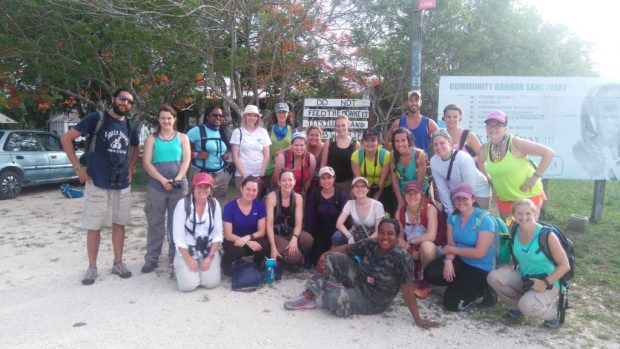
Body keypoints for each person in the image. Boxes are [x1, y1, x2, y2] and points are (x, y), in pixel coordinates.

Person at [283, 219, 440, 330]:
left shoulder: (402, 258)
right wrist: (325, 254)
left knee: (334, 299)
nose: (385, 237)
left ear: (398, 236)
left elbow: (407, 290)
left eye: (390, 234)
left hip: (373, 300)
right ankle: (308, 297)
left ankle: (329, 290)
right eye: (382, 233)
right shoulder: (372, 243)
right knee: (335, 258)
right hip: (360, 280)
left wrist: (417, 319)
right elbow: (346, 248)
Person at [60, 87, 139, 286]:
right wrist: (78, 167)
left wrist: (131, 166)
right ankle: (92, 267)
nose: (126, 104)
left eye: (130, 102)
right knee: (93, 225)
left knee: (119, 224)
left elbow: (136, 147)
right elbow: (66, 138)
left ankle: (118, 263)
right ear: (114, 99)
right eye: (123, 99)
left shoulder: (130, 125)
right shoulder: (96, 119)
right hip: (97, 182)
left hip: (121, 184)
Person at [487, 199, 570, 329]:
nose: (523, 217)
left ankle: (554, 313)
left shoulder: (547, 235)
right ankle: (519, 306)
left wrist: (545, 283)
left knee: (528, 306)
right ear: (513, 215)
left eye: (528, 213)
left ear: (535, 214)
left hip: (550, 282)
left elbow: (565, 265)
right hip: (526, 278)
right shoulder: (515, 230)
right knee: (494, 277)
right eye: (519, 213)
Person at [423, 183, 497, 311]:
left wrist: (452, 251)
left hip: (479, 266)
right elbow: (451, 243)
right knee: (430, 273)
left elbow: (479, 253)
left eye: (465, 198)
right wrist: (448, 261)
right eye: (457, 198)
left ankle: (482, 290)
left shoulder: (485, 220)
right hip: (461, 260)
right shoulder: (453, 217)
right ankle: (460, 284)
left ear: (473, 199)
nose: (460, 201)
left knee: (451, 305)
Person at [141, 104, 191, 273]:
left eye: (169, 118)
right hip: (157, 187)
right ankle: (152, 258)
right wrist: (163, 180)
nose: (166, 121)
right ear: (158, 119)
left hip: (178, 187)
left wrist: (176, 179)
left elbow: (186, 161)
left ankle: (174, 255)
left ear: (174, 119)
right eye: (163, 118)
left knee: (176, 223)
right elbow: (146, 163)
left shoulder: (183, 138)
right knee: (155, 223)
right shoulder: (151, 139)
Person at [479, 110, 555, 220]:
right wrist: (488, 178)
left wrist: (534, 177)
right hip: (505, 198)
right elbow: (481, 161)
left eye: (498, 125)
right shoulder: (486, 148)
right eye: (490, 125)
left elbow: (549, 153)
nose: (493, 129)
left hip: (528, 196)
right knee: (510, 232)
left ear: (505, 128)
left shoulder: (516, 143)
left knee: (526, 231)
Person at [171, 173, 222, 291]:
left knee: (212, 283)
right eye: (200, 186)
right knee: (188, 287)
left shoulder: (214, 204)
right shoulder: (183, 204)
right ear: (193, 187)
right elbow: (178, 237)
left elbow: (218, 234)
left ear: (211, 188)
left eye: (206, 187)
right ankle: (180, 266)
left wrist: (210, 257)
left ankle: (198, 271)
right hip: (188, 249)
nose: (203, 190)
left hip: (207, 249)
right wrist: (188, 258)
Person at [429, 129, 491, 215]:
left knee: (475, 221)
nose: (439, 147)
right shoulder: (434, 161)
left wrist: (462, 210)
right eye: (435, 144)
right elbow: (442, 188)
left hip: (478, 192)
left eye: (442, 143)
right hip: (457, 192)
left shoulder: (463, 158)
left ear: (450, 142)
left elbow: (469, 187)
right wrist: (450, 212)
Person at [396, 182, 441, 299]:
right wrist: (409, 249)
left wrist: (412, 243)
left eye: (415, 193)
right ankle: (411, 274)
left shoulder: (430, 209)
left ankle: (425, 281)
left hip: (432, 249)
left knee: (426, 246)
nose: (412, 197)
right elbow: (399, 238)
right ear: (404, 196)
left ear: (421, 194)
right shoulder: (400, 212)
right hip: (411, 248)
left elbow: (431, 236)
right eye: (408, 194)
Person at [265, 169, 314, 267]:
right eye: (284, 180)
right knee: (296, 257)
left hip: (289, 232)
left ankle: (286, 251)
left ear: (294, 181)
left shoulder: (298, 198)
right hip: (275, 234)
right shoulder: (272, 197)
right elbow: (269, 224)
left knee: (308, 239)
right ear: (279, 182)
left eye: (290, 180)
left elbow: (298, 223)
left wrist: (294, 239)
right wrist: (273, 247)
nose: (287, 183)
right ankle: (275, 252)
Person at [221, 176, 270, 275]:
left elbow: (261, 231)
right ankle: (225, 262)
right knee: (236, 251)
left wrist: (248, 238)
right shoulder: (230, 207)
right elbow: (228, 235)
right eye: (248, 189)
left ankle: (256, 264)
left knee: (264, 245)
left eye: (254, 190)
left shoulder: (259, 206)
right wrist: (247, 242)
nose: (251, 193)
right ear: (241, 189)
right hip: (234, 240)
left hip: (251, 237)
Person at [186, 105, 232, 204]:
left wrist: (224, 155)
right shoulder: (198, 130)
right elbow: (180, 148)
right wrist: (196, 155)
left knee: (217, 205)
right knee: (198, 204)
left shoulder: (221, 131)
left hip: (221, 175)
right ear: (207, 117)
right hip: (202, 173)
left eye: (220, 115)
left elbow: (222, 149)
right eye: (215, 115)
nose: (218, 118)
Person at [305, 166, 348, 265]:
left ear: (334, 178)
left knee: (334, 260)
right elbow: (310, 216)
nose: (326, 181)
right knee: (318, 260)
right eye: (323, 178)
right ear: (319, 180)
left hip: (336, 233)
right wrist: (310, 236)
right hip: (320, 232)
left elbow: (345, 218)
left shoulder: (341, 194)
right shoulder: (315, 194)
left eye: (329, 178)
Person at [351, 127, 396, 216]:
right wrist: (364, 198)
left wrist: (374, 199)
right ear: (362, 142)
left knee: (382, 211)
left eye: (373, 140)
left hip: (383, 188)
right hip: (364, 187)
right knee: (354, 197)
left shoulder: (385, 155)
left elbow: (382, 181)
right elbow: (359, 180)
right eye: (366, 140)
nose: (370, 143)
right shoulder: (356, 156)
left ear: (378, 142)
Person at [332, 177, 385, 246]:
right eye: (357, 186)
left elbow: (378, 231)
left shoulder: (377, 205)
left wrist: (366, 242)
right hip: (355, 235)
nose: (360, 189)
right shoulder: (349, 203)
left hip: (371, 237)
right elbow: (339, 224)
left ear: (367, 190)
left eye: (363, 186)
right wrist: (349, 236)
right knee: (337, 236)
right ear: (353, 190)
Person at [230, 105, 271, 192]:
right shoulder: (237, 132)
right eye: (249, 115)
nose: (252, 118)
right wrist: (245, 175)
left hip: (258, 174)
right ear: (244, 116)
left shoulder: (262, 132)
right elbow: (235, 156)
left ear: (258, 118)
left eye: (255, 115)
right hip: (242, 175)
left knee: (257, 203)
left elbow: (267, 155)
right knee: (244, 202)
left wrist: (261, 175)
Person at [385, 90, 438, 156]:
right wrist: (395, 155)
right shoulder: (398, 123)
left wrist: (433, 158)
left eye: (416, 100)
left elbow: (439, 141)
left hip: (423, 164)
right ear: (407, 103)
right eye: (411, 100)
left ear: (420, 102)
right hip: (403, 165)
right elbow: (386, 140)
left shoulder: (429, 123)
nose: (414, 103)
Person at [321, 114, 359, 197]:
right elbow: (323, 164)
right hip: (330, 183)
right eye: (338, 126)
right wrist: (323, 182)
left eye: (343, 125)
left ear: (348, 125)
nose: (341, 128)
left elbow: (357, 170)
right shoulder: (329, 142)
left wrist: (355, 186)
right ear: (335, 127)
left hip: (348, 184)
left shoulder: (355, 144)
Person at [390, 127, 428, 211]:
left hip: (418, 191)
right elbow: (394, 180)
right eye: (397, 141)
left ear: (409, 141)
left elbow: (419, 182)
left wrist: (410, 198)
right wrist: (400, 200)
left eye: (403, 140)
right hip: (401, 192)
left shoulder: (419, 154)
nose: (400, 144)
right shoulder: (393, 155)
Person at [271, 132, 316, 196]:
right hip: (281, 190)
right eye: (296, 145)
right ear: (291, 146)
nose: (299, 148)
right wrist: (288, 194)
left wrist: (303, 192)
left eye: (301, 145)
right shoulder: (283, 157)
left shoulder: (310, 158)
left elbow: (309, 179)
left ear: (306, 146)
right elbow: (277, 179)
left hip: (301, 191)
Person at [264, 102, 294, 180]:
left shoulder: (293, 129)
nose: (282, 114)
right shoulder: (269, 129)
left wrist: (282, 151)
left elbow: (296, 146)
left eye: (284, 112)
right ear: (275, 114)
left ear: (288, 114)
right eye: (279, 112)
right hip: (270, 166)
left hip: (287, 165)